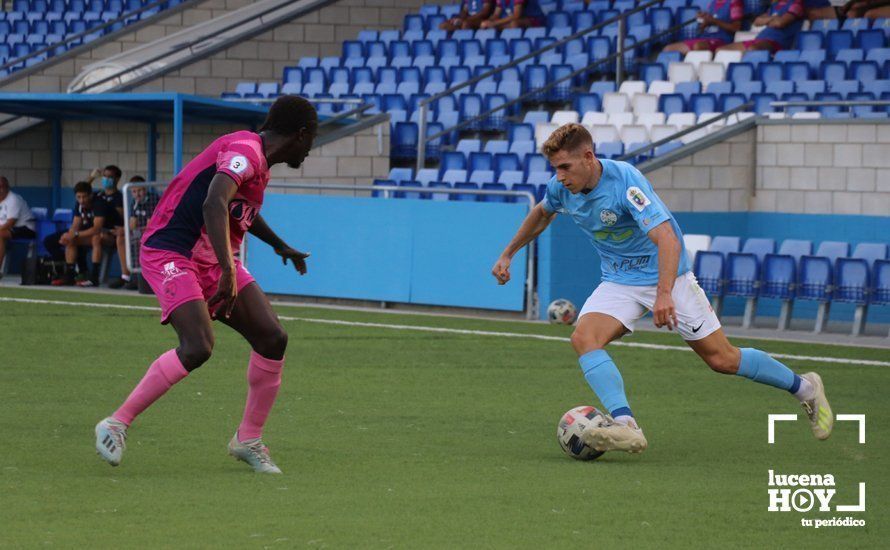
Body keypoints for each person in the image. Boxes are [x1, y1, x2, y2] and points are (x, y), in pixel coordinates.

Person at [491, 124, 833, 455]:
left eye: (565, 167)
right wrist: (508, 252)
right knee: (583, 338)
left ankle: (806, 387)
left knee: (722, 360)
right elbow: (541, 213)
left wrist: (664, 294)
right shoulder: (561, 188)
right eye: (555, 169)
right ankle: (626, 425)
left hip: (668, 276)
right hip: (619, 281)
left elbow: (666, 238)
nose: (561, 176)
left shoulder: (625, 183)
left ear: (589, 157)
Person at [94, 96, 318, 474]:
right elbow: (214, 201)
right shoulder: (245, 151)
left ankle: (248, 439)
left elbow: (236, 211)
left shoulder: (257, 162)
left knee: (272, 338)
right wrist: (230, 272)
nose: (310, 150)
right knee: (198, 345)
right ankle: (115, 423)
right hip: (171, 251)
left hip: (214, 258)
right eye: (312, 140)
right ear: (301, 134)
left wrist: (278, 244)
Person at [44, 181, 102, 286]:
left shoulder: (98, 204)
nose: (82, 200)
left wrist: (74, 234)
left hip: (106, 233)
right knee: (58, 240)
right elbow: (75, 225)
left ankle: (93, 276)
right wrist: (69, 235)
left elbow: (97, 229)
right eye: (78, 197)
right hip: (85, 233)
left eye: (84, 197)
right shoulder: (79, 205)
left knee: (95, 238)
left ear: (90, 195)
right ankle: (70, 273)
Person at [87, 165, 132, 289]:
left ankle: (94, 277)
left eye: (110, 177)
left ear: (117, 179)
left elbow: (121, 220)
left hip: (112, 234)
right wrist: (92, 177)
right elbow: (82, 190)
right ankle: (80, 273)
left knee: (97, 237)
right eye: (104, 176)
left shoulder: (119, 197)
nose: (106, 179)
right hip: (98, 230)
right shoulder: (99, 195)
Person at [717, 0, 805, 53]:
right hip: (759, 39)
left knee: (753, 50)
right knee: (720, 51)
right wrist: (774, 19)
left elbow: (780, 23)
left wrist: (767, 20)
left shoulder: (796, 4)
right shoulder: (775, 5)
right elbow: (757, 21)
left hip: (776, 43)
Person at [118, 176, 158, 290]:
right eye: (134, 192)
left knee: (139, 240)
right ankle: (126, 276)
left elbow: (150, 226)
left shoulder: (153, 200)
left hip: (155, 234)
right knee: (121, 237)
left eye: (140, 190)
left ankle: (140, 278)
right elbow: (132, 224)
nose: (137, 194)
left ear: (145, 189)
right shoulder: (134, 203)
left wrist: (135, 229)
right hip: (141, 232)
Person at [663, 0, 744, 54]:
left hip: (721, 40)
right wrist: (703, 20)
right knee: (668, 49)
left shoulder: (734, 2)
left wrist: (713, 21)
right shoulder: (713, 3)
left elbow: (736, 28)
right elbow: (702, 29)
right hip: (704, 38)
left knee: (698, 46)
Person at [0, 176, 36, 276]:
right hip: (11, 228)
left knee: (0, 235)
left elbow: (10, 223)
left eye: (2, 187)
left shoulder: (13, 199)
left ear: (7, 187)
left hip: (27, 228)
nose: (0, 190)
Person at [479, 0, 544, 29]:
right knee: (486, 25)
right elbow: (496, 14)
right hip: (516, 20)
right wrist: (488, 22)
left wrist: (494, 23)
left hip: (534, 19)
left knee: (514, 24)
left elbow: (516, 15)